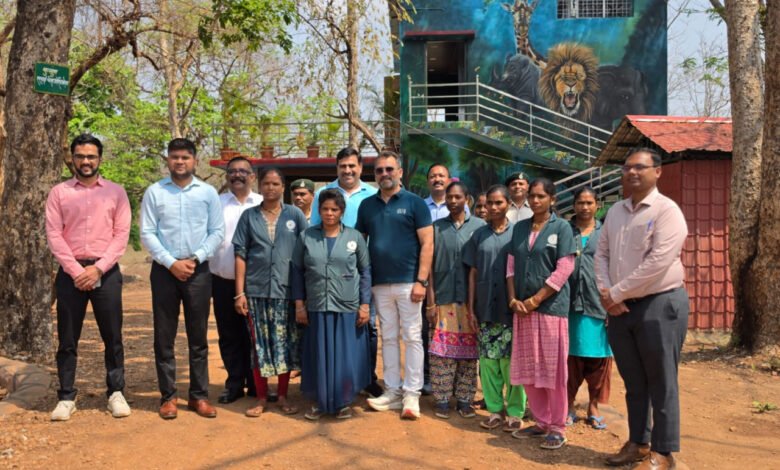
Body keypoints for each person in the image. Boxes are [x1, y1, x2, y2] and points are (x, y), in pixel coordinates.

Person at [595, 148, 689, 470]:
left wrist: (615, 292)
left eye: (640, 167)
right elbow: (601, 254)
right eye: (627, 168)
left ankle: (663, 452)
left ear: (658, 171)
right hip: (621, 310)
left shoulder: (667, 211)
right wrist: (607, 293)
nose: (632, 172)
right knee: (634, 382)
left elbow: (658, 262)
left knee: (662, 381)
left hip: (660, 305)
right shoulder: (616, 211)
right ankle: (638, 442)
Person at [45, 134, 132, 421]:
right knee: (68, 338)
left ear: (100, 160)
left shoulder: (116, 192)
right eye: (80, 156)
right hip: (71, 274)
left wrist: (98, 268)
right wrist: (76, 270)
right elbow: (54, 234)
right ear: (72, 159)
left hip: (105, 274)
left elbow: (121, 235)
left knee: (113, 336)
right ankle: (67, 396)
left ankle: (116, 392)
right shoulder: (59, 193)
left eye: (91, 156)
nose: (86, 161)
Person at [141, 138, 225, 420]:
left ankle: (199, 396)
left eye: (185, 157)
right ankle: (168, 397)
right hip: (164, 271)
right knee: (164, 336)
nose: (180, 162)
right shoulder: (155, 192)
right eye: (174, 157)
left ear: (195, 160)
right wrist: (171, 262)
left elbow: (217, 231)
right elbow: (147, 233)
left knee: (198, 337)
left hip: (198, 270)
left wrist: (195, 258)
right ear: (168, 160)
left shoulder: (208, 192)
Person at [357, 150, 433, 420]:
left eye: (389, 169)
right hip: (379, 284)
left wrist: (421, 281)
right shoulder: (367, 206)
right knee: (388, 337)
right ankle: (392, 391)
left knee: (412, 337)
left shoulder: (415, 204)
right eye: (379, 170)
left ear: (400, 172)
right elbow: (360, 244)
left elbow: (427, 243)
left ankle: (412, 395)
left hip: (410, 284)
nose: (384, 174)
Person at [507, 178, 576, 450]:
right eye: (532, 196)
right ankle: (541, 421)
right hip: (523, 309)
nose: (535, 201)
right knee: (529, 367)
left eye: (540, 196)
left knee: (553, 369)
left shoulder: (563, 228)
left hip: (550, 309)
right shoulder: (521, 228)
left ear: (552, 199)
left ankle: (558, 426)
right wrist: (513, 299)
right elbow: (511, 265)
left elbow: (565, 268)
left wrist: (536, 299)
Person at [233, 167, 308, 418]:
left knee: (285, 345)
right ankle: (262, 397)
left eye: (276, 184)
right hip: (256, 292)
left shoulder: (295, 215)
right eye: (266, 183)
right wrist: (239, 293)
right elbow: (240, 255)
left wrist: (303, 295)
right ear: (260, 186)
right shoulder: (249, 217)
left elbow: (305, 253)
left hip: (287, 291)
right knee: (260, 347)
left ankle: (283, 395)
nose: (271, 188)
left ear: (283, 187)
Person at [292, 189, 372, 420]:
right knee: (319, 355)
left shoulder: (354, 237)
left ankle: (343, 402)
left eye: (334, 209)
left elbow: (365, 271)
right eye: (325, 209)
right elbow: (297, 271)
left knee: (344, 357)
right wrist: (299, 304)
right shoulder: (307, 236)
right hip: (317, 304)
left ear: (342, 212)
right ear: (319, 211)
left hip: (347, 306)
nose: (329, 213)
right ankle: (320, 401)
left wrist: (364, 305)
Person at [311, 147, 383, 397]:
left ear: (361, 168)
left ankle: (367, 377)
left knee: (368, 326)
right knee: (333, 329)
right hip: (330, 277)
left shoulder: (373, 194)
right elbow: (313, 233)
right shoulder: (323, 194)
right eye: (343, 166)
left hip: (364, 271)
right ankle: (334, 379)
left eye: (352, 165)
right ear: (337, 167)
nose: (348, 170)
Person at [463, 185, 526, 433]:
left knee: (511, 364)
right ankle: (494, 410)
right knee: (488, 363)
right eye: (490, 203)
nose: (493, 207)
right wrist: (471, 308)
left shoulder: (518, 234)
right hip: (485, 308)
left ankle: (515, 412)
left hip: (511, 309)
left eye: (499, 202)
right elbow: (472, 273)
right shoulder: (479, 235)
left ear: (509, 204)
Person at [427, 182, 485, 419]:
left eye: (457, 197)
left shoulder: (480, 227)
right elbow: (428, 267)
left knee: (469, 355)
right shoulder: (436, 228)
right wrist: (430, 301)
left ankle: (464, 400)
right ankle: (441, 400)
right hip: (443, 298)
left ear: (466, 199)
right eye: (449, 197)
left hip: (471, 302)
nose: (452, 201)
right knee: (442, 354)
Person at [209, 157, 262, 404]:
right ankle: (233, 383)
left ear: (252, 176)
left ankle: (255, 383)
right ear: (227, 176)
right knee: (228, 333)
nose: (237, 175)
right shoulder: (216, 204)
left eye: (243, 171)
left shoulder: (263, 203)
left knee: (253, 335)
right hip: (222, 280)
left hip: (256, 283)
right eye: (232, 171)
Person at [566, 187, 612, 430]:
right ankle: (569, 405)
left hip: (598, 304)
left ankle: (593, 406)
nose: (584, 207)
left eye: (589, 202)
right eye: (580, 202)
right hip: (569, 306)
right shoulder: (565, 231)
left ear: (597, 205)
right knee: (570, 359)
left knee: (599, 359)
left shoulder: (605, 233)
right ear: (573, 205)